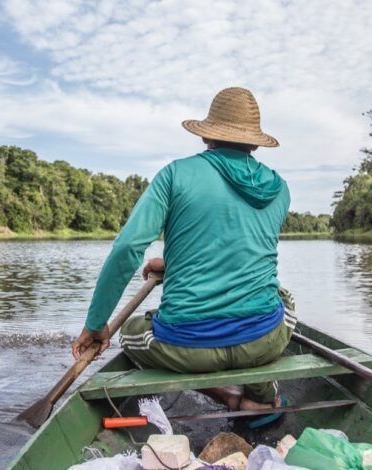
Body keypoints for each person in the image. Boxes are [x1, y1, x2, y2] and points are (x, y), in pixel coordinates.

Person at [71, 87, 295, 419]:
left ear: (208, 137)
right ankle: (263, 398)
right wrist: (173, 263)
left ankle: (230, 399)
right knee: (283, 301)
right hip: (263, 340)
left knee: (129, 335)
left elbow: (128, 247)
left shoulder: (175, 174)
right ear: (254, 142)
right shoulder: (279, 188)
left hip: (188, 347)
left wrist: (96, 323)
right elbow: (239, 251)